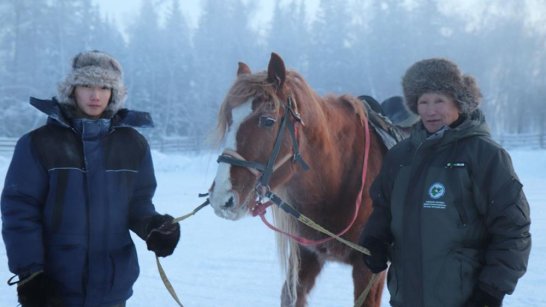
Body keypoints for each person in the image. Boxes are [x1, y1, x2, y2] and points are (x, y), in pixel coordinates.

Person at [1, 50, 181, 307]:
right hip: (53, 290)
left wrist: (154, 226)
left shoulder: (133, 145)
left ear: (114, 93)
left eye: (104, 87)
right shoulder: (39, 144)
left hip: (112, 290)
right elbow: (20, 212)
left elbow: (138, 205)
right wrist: (30, 273)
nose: (95, 95)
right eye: (86, 85)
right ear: (72, 89)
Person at [359, 58, 531, 307]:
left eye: (439, 100)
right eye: (423, 102)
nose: (430, 110)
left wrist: (492, 289)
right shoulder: (400, 156)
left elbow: (513, 229)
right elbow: (383, 208)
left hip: (464, 298)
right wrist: (375, 240)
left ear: (459, 103)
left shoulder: (485, 155)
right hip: (406, 296)